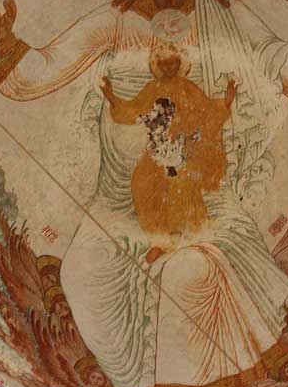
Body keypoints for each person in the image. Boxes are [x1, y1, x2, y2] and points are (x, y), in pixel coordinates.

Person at [0, 0, 288, 387]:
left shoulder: (227, 15)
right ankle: (129, 382)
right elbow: (54, 61)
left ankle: (194, 384)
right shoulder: (114, 19)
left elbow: (271, 54)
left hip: (196, 189)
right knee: (84, 273)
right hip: (120, 197)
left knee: (196, 271)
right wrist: (12, 47)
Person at [101, 44, 236, 241]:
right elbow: (133, 110)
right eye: (164, 63)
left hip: (186, 148)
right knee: (142, 180)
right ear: (158, 65)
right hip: (159, 148)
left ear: (179, 64)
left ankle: (179, 230)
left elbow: (207, 110)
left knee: (179, 182)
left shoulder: (188, 87)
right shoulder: (152, 88)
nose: (168, 67)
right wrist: (111, 97)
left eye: (172, 63)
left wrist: (227, 101)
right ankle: (160, 234)